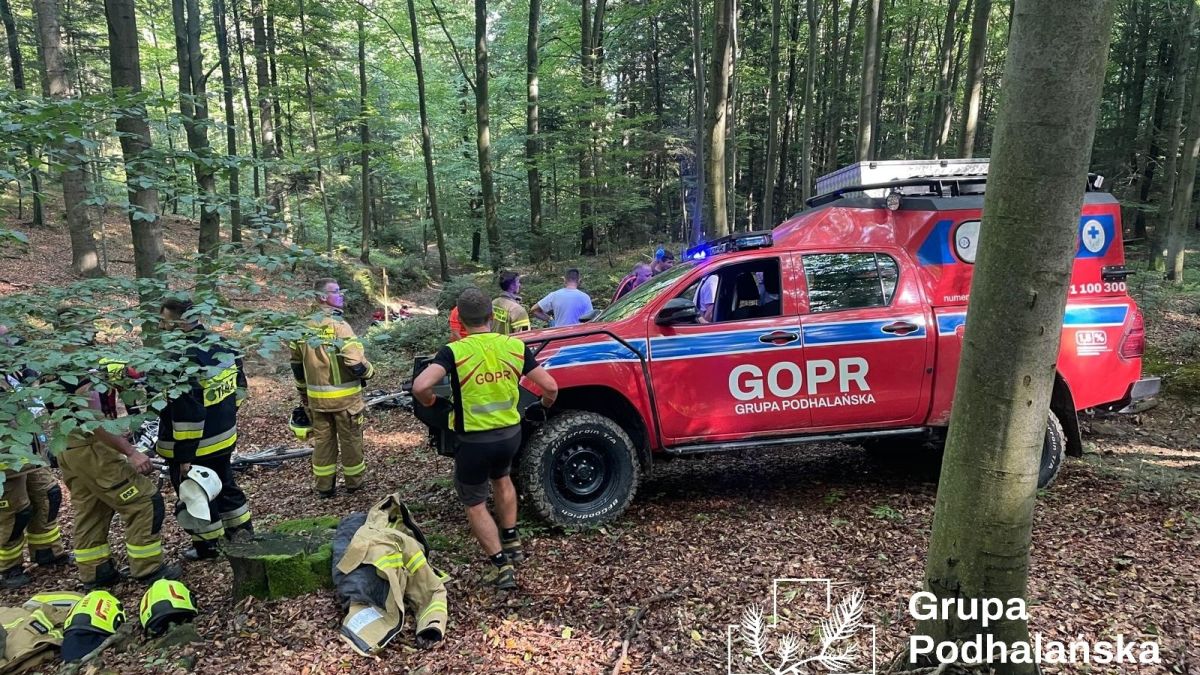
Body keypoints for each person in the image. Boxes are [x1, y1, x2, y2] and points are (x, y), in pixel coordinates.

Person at [411, 288, 559, 591]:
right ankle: (511, 538)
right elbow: (551, 388)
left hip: (473, 442)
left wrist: (431, 404)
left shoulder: (454, 351)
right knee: (502, 479)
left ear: (461, 321)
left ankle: (501, 564)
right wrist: (541, 408)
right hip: (510, 436)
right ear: (492, 317)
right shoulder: (514, 346)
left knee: (475, 503)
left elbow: (420, 386)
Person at [59, 372, 179, 587]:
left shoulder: (53, 370)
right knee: (144, 501)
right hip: (92, 449)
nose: (95, 335)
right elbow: (93, 419)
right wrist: (131, 452)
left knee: (91, 509)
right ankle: (148, 570)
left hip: (69, 448)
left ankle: (96, 573)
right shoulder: (78, 371)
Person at [156, 297, 254, 560]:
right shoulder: (223, 345)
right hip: (224, 436)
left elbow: (186, 414)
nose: (162, 327)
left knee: (196, 494)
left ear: (180, 322)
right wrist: (225, 416)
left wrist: (185, 456)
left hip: (195, 446)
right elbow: (240, 388)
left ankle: (208, 547)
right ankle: (242, 532)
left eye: (165, 321)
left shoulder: (179, 359)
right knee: (226, 484)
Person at [290, 279, 375, 498]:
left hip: (317, 401)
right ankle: (354, 485)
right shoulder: (340, 326)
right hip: (346, 401)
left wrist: (303, 394)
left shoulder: (301, 327)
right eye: (336, 292)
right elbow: (355, 363)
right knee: (350, 442)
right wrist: (370, 372)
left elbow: (297, 366)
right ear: (321, 297)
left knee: (323, 444)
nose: (341, 295)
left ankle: (324, 488)